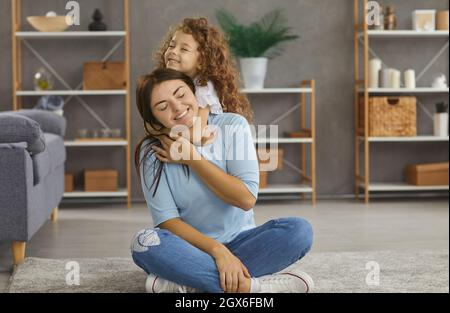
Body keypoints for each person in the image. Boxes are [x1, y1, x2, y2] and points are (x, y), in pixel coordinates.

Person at [131, 68, 314, 293]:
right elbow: (168, 221)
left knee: (299, 231)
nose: (177, 107)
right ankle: (253, 287)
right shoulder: (152, 152)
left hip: (243, 242)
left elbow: (246, 199)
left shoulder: (232, 126)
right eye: (162, 106)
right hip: (190, 248)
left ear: (194, 94)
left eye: (180, 94)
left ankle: (190, 283)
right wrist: (218, 251)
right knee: (144, 243)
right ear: (153, 119)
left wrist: (193, 159)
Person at [146, 17, 253, 139]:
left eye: (184, 49)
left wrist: (163, 132)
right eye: (171, 46)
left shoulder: (204, 88)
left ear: (202, 61)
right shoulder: (170, 84)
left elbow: (196, 135)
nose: (173, 51)